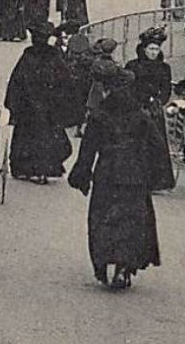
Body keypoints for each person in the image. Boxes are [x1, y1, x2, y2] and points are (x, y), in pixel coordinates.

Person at [68, 68, 162, 290]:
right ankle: (124, 267)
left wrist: (82, 175)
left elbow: (88, 149)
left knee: (103, 218)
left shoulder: (99, 115)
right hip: (134, 174)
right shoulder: (141, 116)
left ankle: (103, 263)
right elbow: (157, 147)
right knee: (131, 221)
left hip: (107, 173)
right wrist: (154, 175)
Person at [4, 20, 78, 183]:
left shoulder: (28, 55)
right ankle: (44, 171)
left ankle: (27, 170)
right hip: (48, 110)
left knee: (27, 139)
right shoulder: (54, 56)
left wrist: (13, 105)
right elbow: (66, 82)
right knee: (47, 141)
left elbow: (16, 81)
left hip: (29, 110)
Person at [123, 27, 176, 191]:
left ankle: (156, 181)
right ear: (143, 49)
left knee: (156, 144)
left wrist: (160, 101)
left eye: (157, 49)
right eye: (151, 49)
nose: (154, 52)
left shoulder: (164, 68)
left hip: (154, 110)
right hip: (137, 108)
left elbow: (166, 88)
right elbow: (127, 87)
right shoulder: (132, 65)